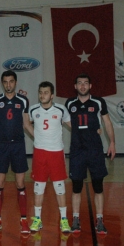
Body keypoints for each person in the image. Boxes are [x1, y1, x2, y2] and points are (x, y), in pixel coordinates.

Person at [65, 74, 116, 235]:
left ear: (90, 86)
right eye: (79, 83)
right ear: (75, 86)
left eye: (85, 83)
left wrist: (112, 143)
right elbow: (64, 120)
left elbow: (107, 122)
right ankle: (75, 219)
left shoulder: (99, 102)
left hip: (95, 150)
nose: (82, 86)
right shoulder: (69, 103)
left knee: (98, 186)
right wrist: (79, 130)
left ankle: (100, 220)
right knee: (76, 187)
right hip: (77, 151)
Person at [0, 70, 33, 234]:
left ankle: (24, 220)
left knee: (20, 184)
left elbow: (26, 123)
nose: (8, 84)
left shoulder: (23, 100)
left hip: (18, 146)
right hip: (1, 146)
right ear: (2, 83)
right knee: (0, 183)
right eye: (5, 82)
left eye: (11, 81)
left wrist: (40, 138)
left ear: (15, 82)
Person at [28, 81, 71, 233]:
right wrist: (36, 135)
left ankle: (64, 220)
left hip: (56, 153)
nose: (42, 95)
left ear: (52, 95)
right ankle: (37, 219)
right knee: (38, 187)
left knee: (59, 187)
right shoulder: (33, 109)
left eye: (46, 92)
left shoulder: (61, 109)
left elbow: (72, 126)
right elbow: (26, 123)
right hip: (39, 153)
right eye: (40, 92)